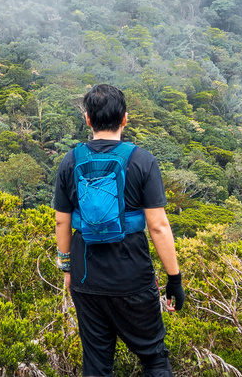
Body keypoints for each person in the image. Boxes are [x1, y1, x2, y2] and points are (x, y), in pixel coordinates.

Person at [54, 84, 185, 377]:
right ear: (125, 118)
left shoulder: (70, 161)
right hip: (133, 279)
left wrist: (67, 268)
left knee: (97, 366)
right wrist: (174, 279)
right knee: (154, 358)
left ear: (87, 119)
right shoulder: (142, 160)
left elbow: (62, 221)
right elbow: (159, 226)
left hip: (86, 278)